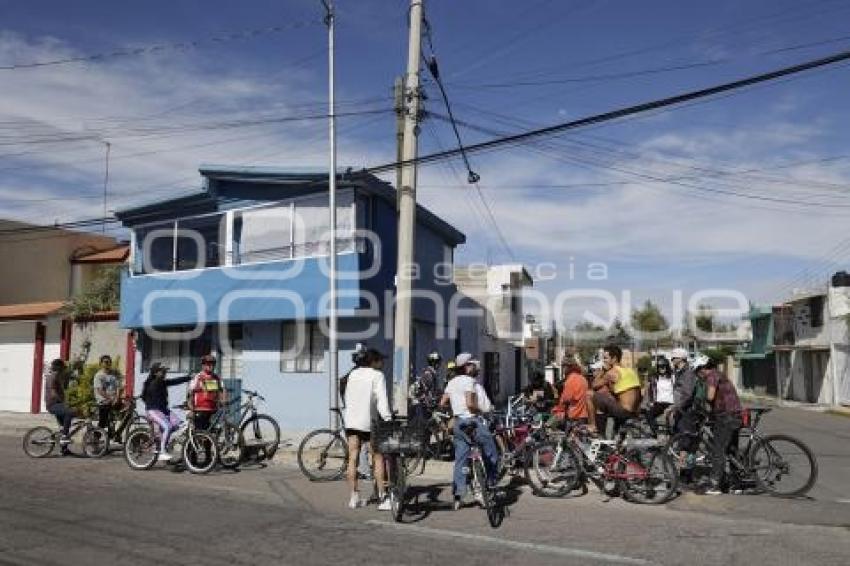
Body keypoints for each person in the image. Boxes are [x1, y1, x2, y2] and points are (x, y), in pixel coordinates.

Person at [440, 352, 499, 511]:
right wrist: (482, 411)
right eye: (473, 364)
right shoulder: (469, 381)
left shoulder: (452, 382)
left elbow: (443, 402)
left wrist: (455, 410)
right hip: (472, 422)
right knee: (491, 452)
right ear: (466, 367)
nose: (475, 366)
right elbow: (470, 403)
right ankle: (492, 483)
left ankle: (458, 495)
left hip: (459, 424)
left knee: (461, 459)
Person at [343, 348, 392, 510]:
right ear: (373, 361)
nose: (382, 363)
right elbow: (381, 400)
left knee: (352, 458)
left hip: (351, 422)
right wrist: (388, 418)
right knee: (377, 458)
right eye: (380, 360)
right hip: (369, 423)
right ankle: (383, 497)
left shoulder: (352, 374)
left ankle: (353, 497)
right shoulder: (377, 375)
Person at [699, 359, 743, 495]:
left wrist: (702, 402)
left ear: (703, 369)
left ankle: (714, 485)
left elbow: (710, 396)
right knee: (731, 450)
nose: (699, 376)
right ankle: (735, 485)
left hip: (725, 417)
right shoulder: (720, 374)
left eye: (698, 372)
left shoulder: (711, 376)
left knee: (718, 450)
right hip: (735, 415)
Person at [585, 345, 641, 434]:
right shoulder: (630, 370)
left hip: (624, 411)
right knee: (604, 400)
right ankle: (610, 433)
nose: (604, 361)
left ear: (614, 358)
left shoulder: (612, 372)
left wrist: (603, 370)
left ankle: (593, 426)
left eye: (606, 358)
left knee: (589, 394)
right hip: (635, 411)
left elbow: (594, 385)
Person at [141, 363, 192, 461]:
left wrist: (188, 378)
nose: (165, 373)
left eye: (165, 371)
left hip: (163, 410)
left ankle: (162, 439)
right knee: (168, 426)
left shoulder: (161, 382)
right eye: (162, 371)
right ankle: (162, 452)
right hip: (153, 410)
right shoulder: (153, 384)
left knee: (179, 425)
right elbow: (147, 398)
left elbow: (174, 381)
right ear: (156, 373)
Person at [44, 359, 76, 455]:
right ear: (58, 368)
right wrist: (63, 403)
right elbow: (53, 393)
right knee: (69, 412)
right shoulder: (52, 377)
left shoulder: (57, 377)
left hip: (57, 404)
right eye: (63, 368)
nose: (64, 370)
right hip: (53, 405)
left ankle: (64, 449)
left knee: (65, 426)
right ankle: (64, 437)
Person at [187, 354, 225, 431]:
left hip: (212, 409)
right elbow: (190, 393)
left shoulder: (216, 378)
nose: (211, 366)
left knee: (210, 433)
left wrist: (223, 400)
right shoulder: (198, 377)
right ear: (203, 366)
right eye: (208, 364)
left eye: (213, 364)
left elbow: (222, 389)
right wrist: (191, 409)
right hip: (199, 409)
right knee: (200, 432)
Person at [550, 361, 589, 426]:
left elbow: (566, 399)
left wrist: (556, 396)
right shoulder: (583, 379)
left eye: (564, 367)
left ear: (567, 368)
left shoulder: (570, 380)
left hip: (573, 415)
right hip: (583, 415)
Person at [645, 356, 676, 434]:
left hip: (671, 403)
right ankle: (655, 432)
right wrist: (651, 401)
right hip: (659, 403)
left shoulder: (672, 378)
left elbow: (678, 390)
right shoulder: (655, 378)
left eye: (663, 366)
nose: (662, 368)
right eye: (660, 367)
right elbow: (650, 391)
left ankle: (672, 436)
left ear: (667, 367)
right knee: (649, 414)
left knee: (671, 420)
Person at [410, 351, 441, 423]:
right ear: (434, 363)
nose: (439, 364)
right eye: (438, 362)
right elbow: (423, 390)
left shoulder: (431, 373)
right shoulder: (429, 374)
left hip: (427, 406)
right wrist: (429, 402)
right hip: (425, 407)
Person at [93, 355, 122, 433]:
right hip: (103, 401)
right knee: (102, 422)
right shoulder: (99, 375)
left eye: (109, 362)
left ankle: (116, 433)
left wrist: (117, 397)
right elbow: (100, 390)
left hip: (114, 400)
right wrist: (111, 398)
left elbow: (118, 386)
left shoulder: (113, 375)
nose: (108, 363)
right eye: (106, 362)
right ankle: (96, 438)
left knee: (128, 411)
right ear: (101, 363)